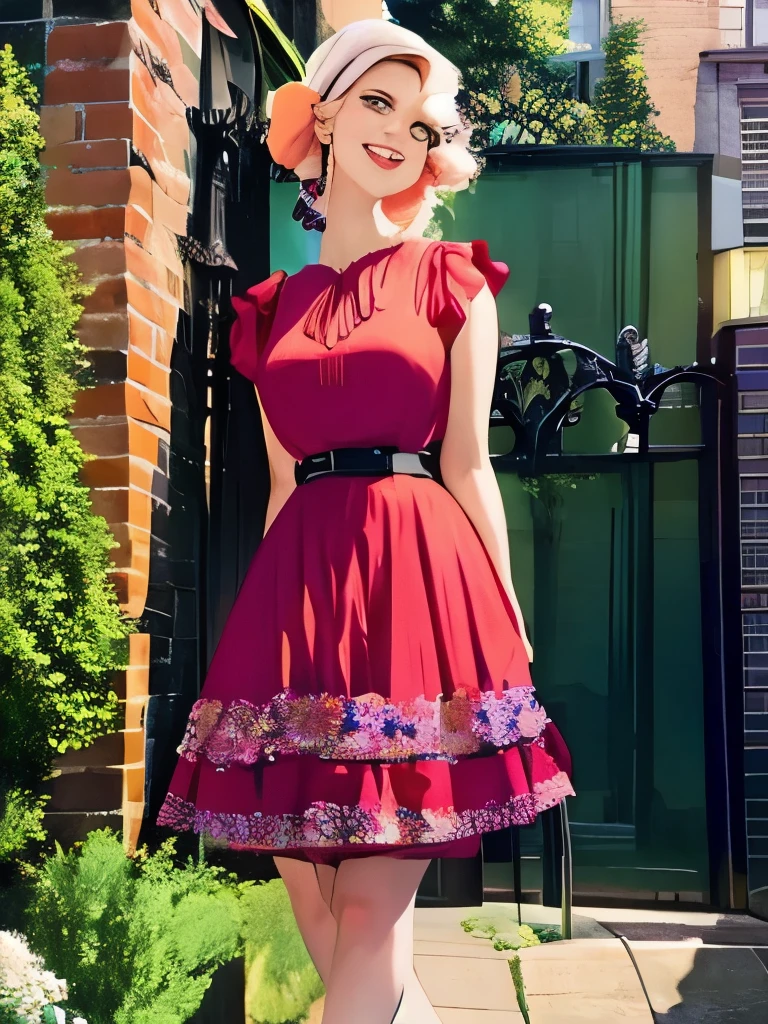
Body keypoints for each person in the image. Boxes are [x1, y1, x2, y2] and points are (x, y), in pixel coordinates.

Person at [157, 19, 574, 1024]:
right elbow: (278, 483)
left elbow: (469, 463)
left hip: (417, 587)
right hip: (296, 591)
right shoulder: (265, 309)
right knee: (319, 898)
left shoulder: (450, 280)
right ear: (326, 115)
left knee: (372, 910)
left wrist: (507, 609)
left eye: (418, 121)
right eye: (377, 103)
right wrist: (259, 641)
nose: (396, 133)